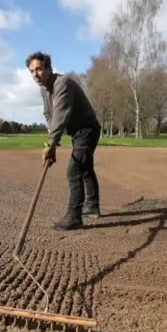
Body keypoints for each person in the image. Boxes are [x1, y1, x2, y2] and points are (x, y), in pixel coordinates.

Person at [25, 51, 102, 230]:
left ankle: (74, 217)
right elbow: (48, 115)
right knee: (85, 167)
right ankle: (91, 205)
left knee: (74, 170)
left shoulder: (62, 84)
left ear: (49, 68)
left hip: (87, 129)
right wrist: (52, 142)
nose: (35, 74)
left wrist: (52, 143)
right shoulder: (44, 89)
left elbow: (60, 115)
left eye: (38, 69)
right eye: (31, 71)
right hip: (77, 132)